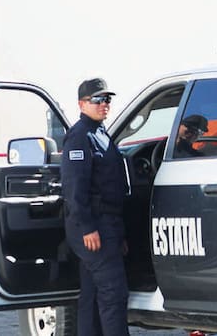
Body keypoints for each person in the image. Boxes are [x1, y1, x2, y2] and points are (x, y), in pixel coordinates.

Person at [61, 78, 129, 336]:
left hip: (108, 225)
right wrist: (87, 227)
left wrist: (119, 235)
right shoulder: (80, 136)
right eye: (97, 100)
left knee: (90, 298)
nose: (104, 104)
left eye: (107, 99)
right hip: (93, 226)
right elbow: (74, 188)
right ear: (82, 104)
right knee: (114, 293)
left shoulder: (100, 133)